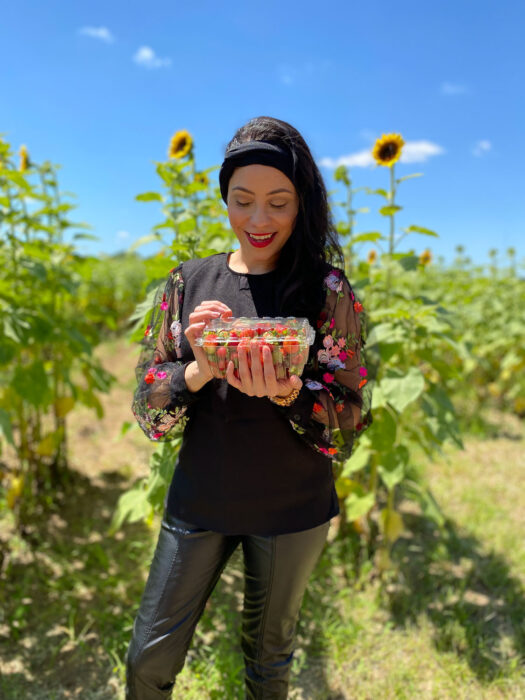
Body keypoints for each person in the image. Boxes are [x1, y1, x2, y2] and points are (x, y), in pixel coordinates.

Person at [125, 115, 372, 699]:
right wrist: (197, 367)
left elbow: (349, 422)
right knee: (147, 662)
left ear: (300, 204)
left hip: (292, 508)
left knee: (268, 663)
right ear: (225, 200)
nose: (258, 221)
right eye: (243, 201)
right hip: (200, 501)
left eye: (278, 203)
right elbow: (148, 411)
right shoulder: (188, 284)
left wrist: (291, 393)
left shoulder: (326, 291)